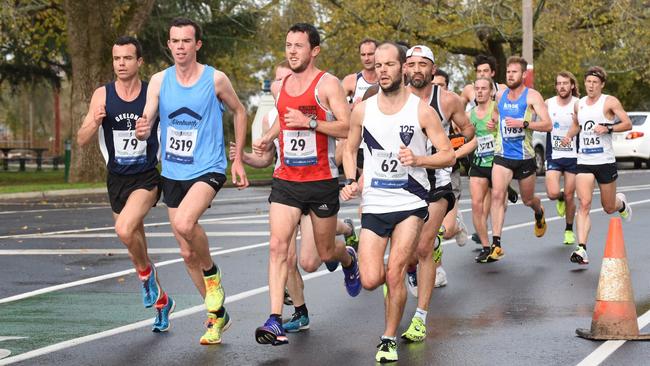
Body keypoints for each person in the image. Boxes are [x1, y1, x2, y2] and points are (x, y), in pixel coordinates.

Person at [135, 17, 249, 345]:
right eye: (175, 41)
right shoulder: (158, 81)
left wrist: (238, 157)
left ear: (197, 44)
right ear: (168, 45)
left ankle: (212, 276)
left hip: (208, 167)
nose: (180, 47)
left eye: (186, 41)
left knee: (186, 223)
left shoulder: (215, 79)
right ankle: (216, 317)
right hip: (172, 171)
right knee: (186, 254)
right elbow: (148, 118)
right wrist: (143, 129)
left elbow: (240, 111)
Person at [341, 41, 455, 363]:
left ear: (402, 67)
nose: (383, 71)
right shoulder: (363, 108)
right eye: (378, 66)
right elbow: (350, 148)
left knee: (395, 271)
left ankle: (388, 338)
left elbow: (446, 153)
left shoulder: (421, 110)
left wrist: (419, 160)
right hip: (376, 204)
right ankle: (352, 257)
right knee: (370, 279)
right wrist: (351, 180)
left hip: (410, 201)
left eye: (389, 65)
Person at [252, 23, 360, 346]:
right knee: (278, 247)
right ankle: (274, 320)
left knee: (319, 256)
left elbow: (347, 128)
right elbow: (284, 121)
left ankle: (348, 258)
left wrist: (310, 122)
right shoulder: (282, 85)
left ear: (314, 51)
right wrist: (267, 140)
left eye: (299, 46)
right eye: (288, 45)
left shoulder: (328, 84)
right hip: (286, 180)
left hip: (321, 182)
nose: (292, 51)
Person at [77, 36, 173, 332]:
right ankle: (162, 301)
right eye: (117, 58)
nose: (121, 64)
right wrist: (94, 121)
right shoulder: (102, 95)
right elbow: (81, 140)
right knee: (133, 240)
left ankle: (146, 277)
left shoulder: (152, 94)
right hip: (116, 177)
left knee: (124, 228)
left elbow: (172, 127)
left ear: (139, 62)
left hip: (146, 175)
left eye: (127, 58)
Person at [401, 45, 474, 342]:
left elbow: (470, 135)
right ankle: (413, 266)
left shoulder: (447, 101)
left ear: (433, 69)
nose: (417, 69)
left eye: (423, 64)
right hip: (402, 182)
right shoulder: (394, 99)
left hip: (437, 181)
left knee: (423, 247)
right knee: (406, 253)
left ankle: (420, 319)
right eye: (412, 64)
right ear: (405, 68)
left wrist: (454, 153)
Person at [560, 66, 633, 264]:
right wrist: (568, 136)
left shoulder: (609, 102)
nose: (591, 86)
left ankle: (621, 203)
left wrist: (608, 127)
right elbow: (577, 124)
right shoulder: (579, 104)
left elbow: (627, 123)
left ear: (601, 84)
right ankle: (581, 248)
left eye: (595, 82)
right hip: (584, 160)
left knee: (608, 207)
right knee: (583, 204)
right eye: (588, 82)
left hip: (605, 161)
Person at [487, 56, 552, 262]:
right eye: (508, 72)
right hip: (503, 155)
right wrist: (494, 120)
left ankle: (538, 210)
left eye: (514, 72)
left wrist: (523, 124)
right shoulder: (500, 95)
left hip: (525, 157)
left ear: (524, 74)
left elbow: (548, 124)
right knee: (497, 195)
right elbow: (497, 112)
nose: (510, 75)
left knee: (527, 200)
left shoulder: (532, 96)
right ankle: (496, 244)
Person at [464, 77, 502, 262]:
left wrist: (498, 125)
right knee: (476, 204)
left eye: (483, 88)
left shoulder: (497, 109)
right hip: (478, 163)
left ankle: (496, 242)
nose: (479, 92)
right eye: (476, 88)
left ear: (491, 91)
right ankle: (486, 246)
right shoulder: (470, 114)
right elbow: (468, 138)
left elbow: (512, 127)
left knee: (496, 200)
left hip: (498, 163)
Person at [545, 71, 580, 246]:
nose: (562, 86)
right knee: (552, 193)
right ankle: (559, 199)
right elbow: (537, 119)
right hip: (554, 154)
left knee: (569, 194)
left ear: (572, 85)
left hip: (574, 155)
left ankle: (568, 230)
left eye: (565, 83)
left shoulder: (578, 104)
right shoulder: (548, 103)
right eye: (559, 83)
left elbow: (585, 125)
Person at [342, 38, 379, 106]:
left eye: (370, 54)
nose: (366, 58)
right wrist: (353, 106)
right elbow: (337, 108)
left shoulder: (386, 78)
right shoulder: (350, 80)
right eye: (363, 55)